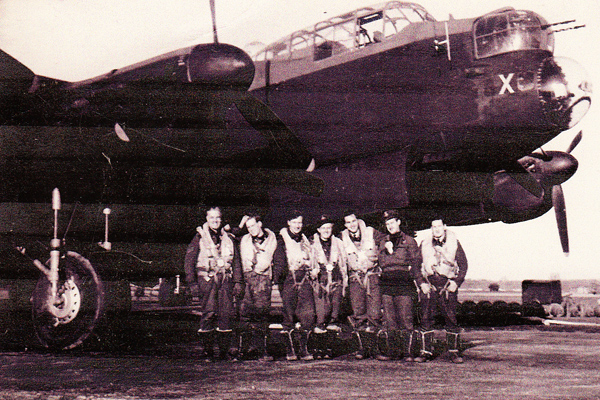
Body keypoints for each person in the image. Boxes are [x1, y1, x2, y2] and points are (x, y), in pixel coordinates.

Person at [183, 206, 244, 361]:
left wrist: (237, 281)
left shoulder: (228, 238)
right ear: (207, 219)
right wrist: (192, 283)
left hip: (225, 281)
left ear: (221, 219)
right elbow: (189, 261)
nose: (215, 220)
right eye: (212, 218)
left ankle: (224, 352)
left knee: (226, 314)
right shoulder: (199, 238)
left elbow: (236, 261)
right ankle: (208, 352)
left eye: (217, 217)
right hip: (207, 281)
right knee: (209, 313)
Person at [416, 216, 468, 363]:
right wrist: (421, 283)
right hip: (429, 285)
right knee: (426, 318)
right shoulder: (424, 244)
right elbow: (415, 266)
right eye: (434, 227)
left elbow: (463, 265)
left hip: (447, 285)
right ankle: (426, 352)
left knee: (451, 318)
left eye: (439, 226)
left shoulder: (454, 243)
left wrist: (456, 282)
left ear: (444, 226)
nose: (436, 229)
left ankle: (454, 352)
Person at [377, 210, 423, 361]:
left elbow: (415, 263)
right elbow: (381, 262)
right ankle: (393, 352)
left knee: (406, 318)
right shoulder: (383, 242)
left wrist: (420, 283)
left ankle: (408, 352)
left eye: (392, 222)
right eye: (387, 224)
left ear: (399, 222)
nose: (390, 226)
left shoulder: (409, 241)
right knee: (389, 319)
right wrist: (388, 252)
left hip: (403, 283)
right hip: (387, 283)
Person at [273, 210, 317, 361]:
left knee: (308, 314)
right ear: (288, 223)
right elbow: (279, 261)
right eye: (294, 222)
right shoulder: (281, 240)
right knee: (289, 315)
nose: (297, 225)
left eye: (300, 222)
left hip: (305, 279)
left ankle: (304, 349)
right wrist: (279, 280)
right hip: (289, 280)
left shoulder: (304, 239)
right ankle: (290, 350)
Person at [340, 211, 384, 359]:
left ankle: (376, 348)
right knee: (358, 312)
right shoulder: (342, 238)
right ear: (345, 225)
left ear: (357, 220)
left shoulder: (371, 232)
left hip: (372, 277)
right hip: (355, 279)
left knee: (375, 312)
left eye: (353, 221)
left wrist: (378, 255)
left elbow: (385, 242)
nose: (351, 225)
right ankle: (362, 348)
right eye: (348, 222)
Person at [237, 213, 277, 361]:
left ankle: (263, 350)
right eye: (248, 227)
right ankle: (243, 349)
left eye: (253, 225)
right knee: (244, 313)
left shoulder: (271, 239)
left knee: (262, 314)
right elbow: (232, 234)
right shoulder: (244, 240)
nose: (251, 229)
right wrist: (241, 224)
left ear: (260, 224)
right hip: (247, 278)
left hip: (263, 280)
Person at [310, 214, 347, 358]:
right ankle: (319, 348)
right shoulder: (312, 245)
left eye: (328, 228)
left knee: (334, 316)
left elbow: (344, 263)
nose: (326, 230)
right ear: (318, 230)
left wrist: (344, 281)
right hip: (321, 284)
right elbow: (310, 265)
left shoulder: (338, 243)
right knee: (321, 316)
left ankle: (330, 348)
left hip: (336, 283)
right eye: (323, 228)